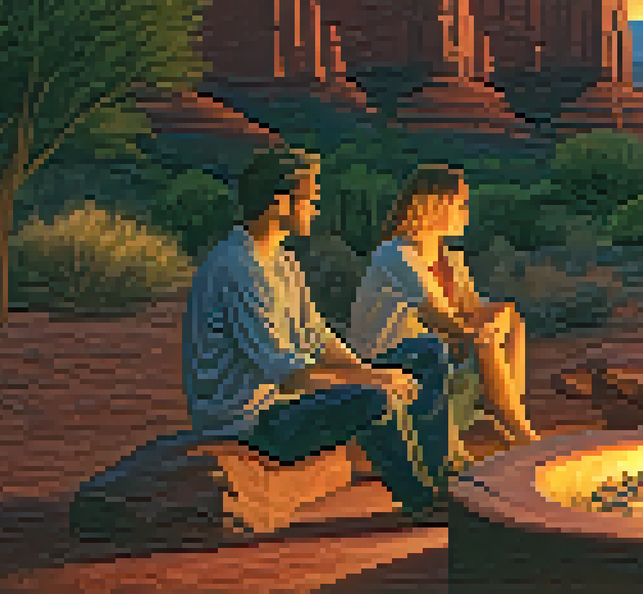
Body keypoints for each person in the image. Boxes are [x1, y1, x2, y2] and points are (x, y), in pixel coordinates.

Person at [181, 147, 454, 523]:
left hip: (285, 399)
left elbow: (316, 337)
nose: (316, 209)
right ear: (279, 203)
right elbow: (289, 372)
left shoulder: (281, 260)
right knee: (374, 398)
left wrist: (366, 370)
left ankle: (438, 476)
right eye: (310, 199)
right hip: (252, 420)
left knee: (426, 353)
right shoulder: (237, 270)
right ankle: (423, 502)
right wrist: (373, 379)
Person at [345, 164, 540, 464]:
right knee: (483, 337)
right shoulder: (396, 255)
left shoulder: (447, 258)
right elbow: (442, 321)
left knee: (508, 320)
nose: (465, 213)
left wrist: (499, 317)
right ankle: (511, 423)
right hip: (394, 362)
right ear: (433, 205)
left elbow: (472, 309)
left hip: (434, 356)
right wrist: (484, 331)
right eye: (460, 204)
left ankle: (507, 415)